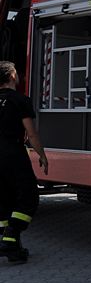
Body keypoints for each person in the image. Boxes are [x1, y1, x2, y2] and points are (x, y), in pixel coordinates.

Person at [0, 61, 48, 263]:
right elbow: (32, 134)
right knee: (28, 197)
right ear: (12, 76)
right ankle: (10, 238)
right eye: (17, 73)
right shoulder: (20, 100)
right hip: (13, 154)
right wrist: (42, 155)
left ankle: (12, 247)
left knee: (4, 199)